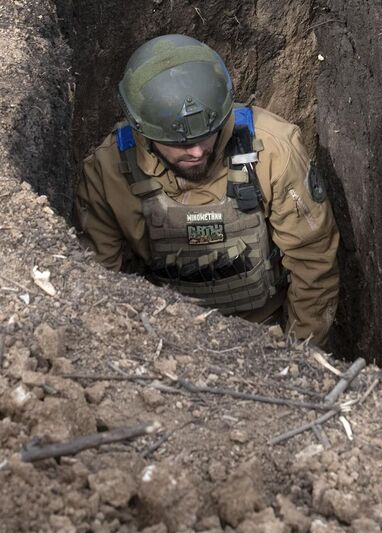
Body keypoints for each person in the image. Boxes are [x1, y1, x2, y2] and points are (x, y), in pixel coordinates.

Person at [75, 34, 340, 343]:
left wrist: (299, 358)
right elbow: (98, 281)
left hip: (265, 334)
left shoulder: (273, 151)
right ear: (143, 132)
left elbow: (313, 264)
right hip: (163, 339)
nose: (198, 152)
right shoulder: (108, 172)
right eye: (181, 144)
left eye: (207, 135)